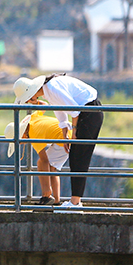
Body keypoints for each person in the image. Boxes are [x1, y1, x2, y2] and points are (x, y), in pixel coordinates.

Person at [13, 73, 103, 208]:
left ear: (31, 94)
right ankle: (75, 201)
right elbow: (61, 111)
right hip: (88, 111)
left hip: (89, 111)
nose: (28, 102)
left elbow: (74, 110)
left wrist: (74, 134)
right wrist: (65, 133)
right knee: (76, 157)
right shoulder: (49, 90)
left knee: (80, 157)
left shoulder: (52, 88)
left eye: (27, 100)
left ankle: (75, 202)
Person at [4, 109, 67, 205]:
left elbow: (44, 160)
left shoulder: (34, 134)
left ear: (23, 135)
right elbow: (44, 105)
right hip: (67, 133)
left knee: (41, 163)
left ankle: (47, 195)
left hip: (64, 141)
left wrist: (47, 187)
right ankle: (56, 201)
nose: (21, 143)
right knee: (52, 168)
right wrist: (36, 101)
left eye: (20, 140)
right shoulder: (33, 118)